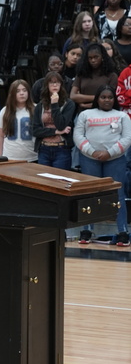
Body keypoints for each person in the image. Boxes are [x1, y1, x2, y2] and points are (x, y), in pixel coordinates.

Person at [74, 86, 131, 246]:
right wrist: (92, 152)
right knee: (90, 194)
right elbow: (78, 135)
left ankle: (122, 232)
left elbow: (127, 138)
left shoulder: (122, 116)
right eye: (103, 97)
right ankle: (87, 231)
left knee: (118, 194)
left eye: (110, 97)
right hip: (89, 159)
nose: (107, 100)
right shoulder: (85, 114)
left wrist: (109, 153)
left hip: (115, 159)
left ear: (114, 100)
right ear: (97, 98)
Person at [33, 71, 75, 171]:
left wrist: (54, 104)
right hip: (44, 149)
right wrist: (55, 132)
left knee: (60, 181)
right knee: (44, 181)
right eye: (51, 83)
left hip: (61, 149)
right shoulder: (40, 106)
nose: (55, 85)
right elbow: (35, 130)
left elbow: (61, 124)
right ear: (47, 85)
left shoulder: (69, 104)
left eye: (57, 83)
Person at [71, 43, 118, 115]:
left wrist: (89, 102)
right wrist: (98, 99)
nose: (93, 60)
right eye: (90, 58)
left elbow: (110, 98)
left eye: (96, 57)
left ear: (102, 57)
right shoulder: (81, 74)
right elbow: (73, 96)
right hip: (83, 113)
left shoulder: (111, 76)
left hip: (105, 114)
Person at [0, 79, 36, 161]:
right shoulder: (5, 111)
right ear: (12, 94)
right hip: (10, 157)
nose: (22, 93)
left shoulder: (36, 109)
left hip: (32, 157)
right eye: (18, 91)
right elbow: (0, 136)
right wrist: (1, 156)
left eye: (24, 90)